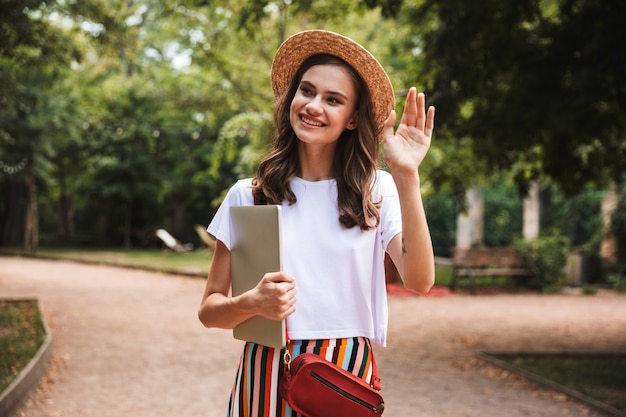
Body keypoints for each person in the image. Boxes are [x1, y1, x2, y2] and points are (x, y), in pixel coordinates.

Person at [198, 29, 435, 417]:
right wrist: (252, 303)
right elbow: (209, 310)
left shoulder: (377, 191)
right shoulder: (250, 194)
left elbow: (420, 281)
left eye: (333, 99)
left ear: (353, 119)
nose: (313, 106)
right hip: (265, 368)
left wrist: (408, 175)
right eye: (306, 91)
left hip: (344, 373)